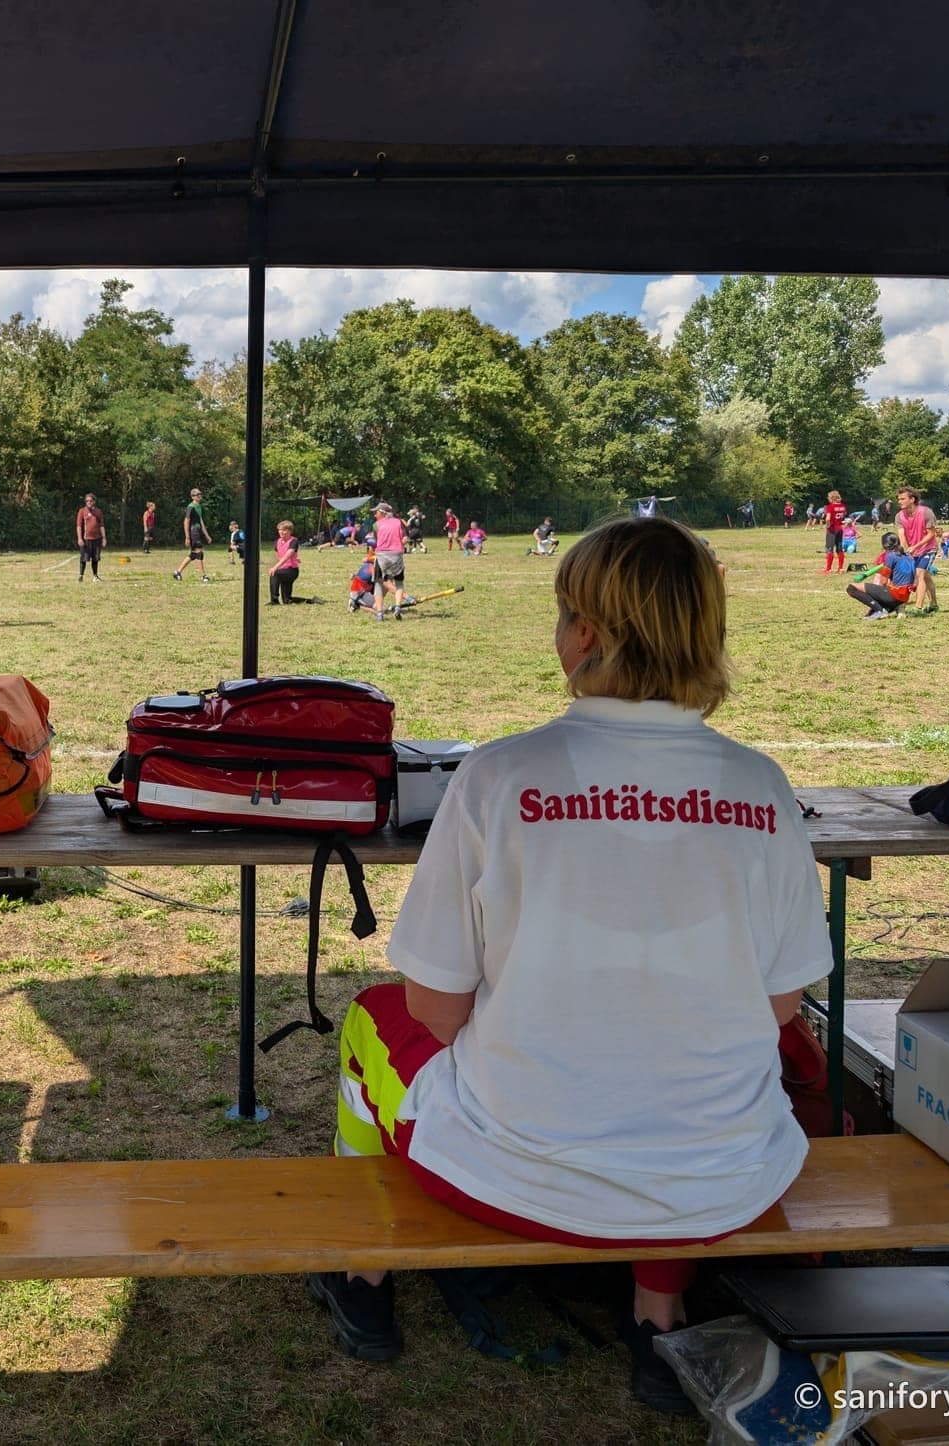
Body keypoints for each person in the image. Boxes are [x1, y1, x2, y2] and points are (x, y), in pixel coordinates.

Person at [303, 516, 831, 1415]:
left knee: (368, 1021)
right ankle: (657, 1313)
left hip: (510, 1185)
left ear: (584, 634)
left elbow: (433, 1005)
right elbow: (782, 1000)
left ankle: (363, 1275)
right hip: (725, 1186)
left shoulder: (499, 777)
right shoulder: (761, 786)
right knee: (676, 1061)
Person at [846, 531, 918, 619]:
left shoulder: (891, 556)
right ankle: (893, 608)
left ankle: (880, 611)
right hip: (904, 597)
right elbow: (915, 581)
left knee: (851, 588)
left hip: (894, 596)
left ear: (885, 545)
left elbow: (883, 582)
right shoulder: (909, 557)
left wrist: (875, 596)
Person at [894, 486, 938, 614]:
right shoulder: (899, 516)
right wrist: (905, 551)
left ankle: (918, 608)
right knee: (926, 576)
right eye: (898, 499)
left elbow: (931, 534)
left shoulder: (926, 512)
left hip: (928, 548)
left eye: (903, 499)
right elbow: (902, 536)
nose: (899, 501)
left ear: (912, 499)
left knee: (920, 574)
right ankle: (934, 604)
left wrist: (915, 547)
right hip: (912, 551)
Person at [371, 500, 408, 620]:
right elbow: (405, 538)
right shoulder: (399, 522)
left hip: (381, 555)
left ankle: (380, 613)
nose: (374, 515)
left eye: (376, 512)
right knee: (399, 583)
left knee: (378, 583)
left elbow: (377, 539)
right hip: (396, 554)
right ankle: (397, 607)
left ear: (382, 512)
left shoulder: (376, 525)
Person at [174, 487, 211, 582]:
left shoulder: (199, 507)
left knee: (193, 555)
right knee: (199, 553)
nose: (199, 496)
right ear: (192, 497)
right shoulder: (191, 507)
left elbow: (201, 521)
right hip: (193, 532)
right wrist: (187, 537)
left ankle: (177, 572)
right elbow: (186, 522)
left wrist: (207, 535)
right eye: (197, 494)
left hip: (198, 531)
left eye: (200, 494)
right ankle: (203, 576)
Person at [268, 520, 301, 604]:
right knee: (287, 601)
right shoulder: (278, 541)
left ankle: (274, 601)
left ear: (290, 531)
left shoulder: (294, 541)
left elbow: (287, 556)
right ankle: (311, 601)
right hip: (283, 570)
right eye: (279, 530)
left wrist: (275, 567)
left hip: (291, 571)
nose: (281, 532)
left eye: (283, 530)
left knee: (274, 574)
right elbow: (279, 556)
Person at [76, 492, 107, 581]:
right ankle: (81, 575)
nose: (89, 502)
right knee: (84, 558)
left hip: (96, 539)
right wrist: (79, 538)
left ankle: (95, 576)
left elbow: (101, 525)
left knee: (95, 558)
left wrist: (104, 538)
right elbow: (78, 526)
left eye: (90, 500)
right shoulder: (82, 511)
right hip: (86, 539)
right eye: (87, 501)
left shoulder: (98, 511)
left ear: (94, 501)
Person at [819, 489, 847, 574]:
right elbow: (843, 518)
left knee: (829, 549)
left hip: (832, 530)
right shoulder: (843, 506)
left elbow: (828, 518)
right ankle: (841, 568)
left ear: (831, 498)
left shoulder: (830, 507)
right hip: (840, 529)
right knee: (839, 549)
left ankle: (828, 569)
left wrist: (827, 525)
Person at [347, 546, 377, 612]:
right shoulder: (372, 567)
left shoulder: (365, 564)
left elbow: (353, 576)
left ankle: (355, 603)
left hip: (355, 592)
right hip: (360, 593)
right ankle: (356, 605)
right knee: (380, 607)